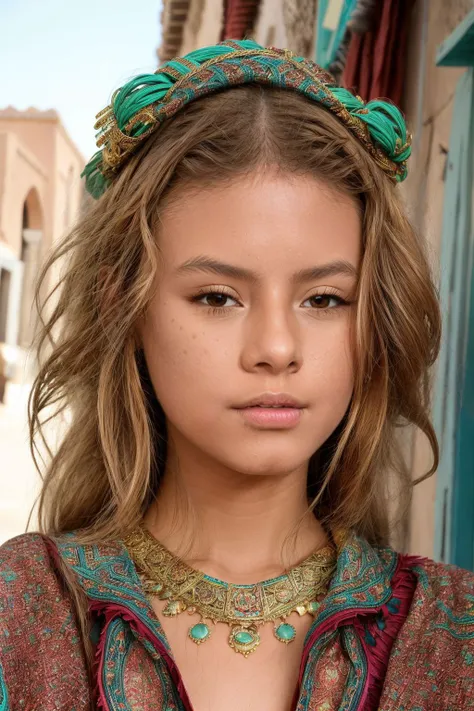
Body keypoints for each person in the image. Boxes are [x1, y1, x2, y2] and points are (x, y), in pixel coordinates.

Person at [0, 38, 473, 711]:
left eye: (324, 299)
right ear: (123, 303)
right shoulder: (20, 617)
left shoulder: (453, 639)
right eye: (218, 297)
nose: (277, 348)